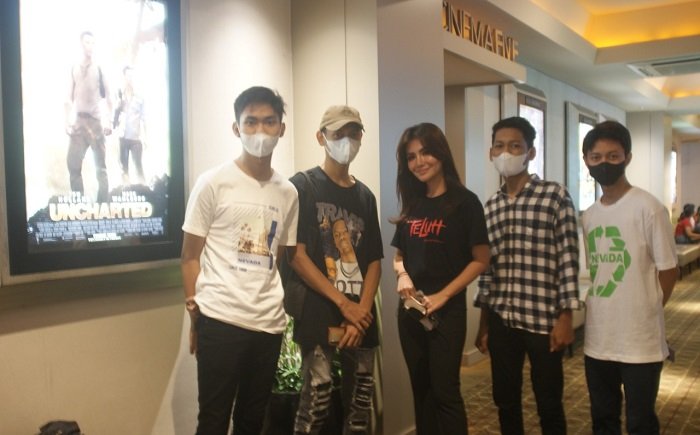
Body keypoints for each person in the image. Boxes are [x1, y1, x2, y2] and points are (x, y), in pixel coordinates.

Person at [180, 86, 299, 435]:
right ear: (237, 128)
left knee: (252, 421)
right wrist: (196, 314)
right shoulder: (213, 183)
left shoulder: (288, 193)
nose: (260, 131)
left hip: (268, 323)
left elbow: (275, 258)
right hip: (220, 319)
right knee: (213, 421)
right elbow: (189, 256)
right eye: (251, 122)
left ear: (281, 128)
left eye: (269, 122)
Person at [474, 116, 581, 435]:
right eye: (499, 146)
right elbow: (487, 268)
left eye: (515, 146)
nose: (506, 153)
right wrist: (483, 324)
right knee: (505, 400)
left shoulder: (554, 196)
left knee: (549, 402)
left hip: (543, 319)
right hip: (502, 319)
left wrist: (566, 317)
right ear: (491, 153)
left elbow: (568, 258)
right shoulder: (490, 206)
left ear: (530, 152)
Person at [288, 105, 382, 434]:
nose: (347, 140)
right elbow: (297, 256)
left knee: (360, 405)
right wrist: (345, 306)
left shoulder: (365, 196)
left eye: (354, 133)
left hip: (361, 313)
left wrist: (361, 311)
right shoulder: (303, 186)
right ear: (321, 137)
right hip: (319, 308)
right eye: (338, 133)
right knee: (317, 398)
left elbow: (374, 260)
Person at [391, 122, 490, 434]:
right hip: (411, 311)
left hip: (447, 313)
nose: (419, 162)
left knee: (445, 393)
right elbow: (399, 255)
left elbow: (481, 260)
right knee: (421, 391)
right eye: (411, 157)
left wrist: (444, 295)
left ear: (441, 154)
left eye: (426, 153)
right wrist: (402, 275)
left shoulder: (465, 203)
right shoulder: (413, 202)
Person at [580, 120, 678, 435]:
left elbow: (669, 270)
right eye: (596, 157)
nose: (604, 163)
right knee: (603, 420)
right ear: (586, 161)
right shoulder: (589, 215)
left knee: (641, 423)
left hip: (640, 340)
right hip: (598, 338)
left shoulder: (649, 208)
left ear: (627, 158)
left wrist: (647, 307)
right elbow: (593, 272)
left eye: (613, 156)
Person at [65, 30, 113, 203]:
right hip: (79, 122)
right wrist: (67, 121)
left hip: (95, 123)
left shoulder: (99, 68)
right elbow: (68, 98)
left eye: (92, 43)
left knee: (101, 168)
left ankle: (103, 206)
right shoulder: (74, 67)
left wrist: (109, 121)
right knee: (73, 164)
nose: (90, 46)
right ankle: (79, 205)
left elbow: (109, 97)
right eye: (87, 42)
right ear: (81, 44)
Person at [114, 65, 146, 185]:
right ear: (124, 77)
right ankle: (126, 190)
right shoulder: (118, 95)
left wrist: (145, 137)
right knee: (124, 169)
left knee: (138, 167)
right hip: (122, 137)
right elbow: (114, 121)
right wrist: (117, 107)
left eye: (132, 76)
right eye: (128, 76)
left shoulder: (140, 97)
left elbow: (144, 118)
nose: (130, 78)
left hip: (136, 138)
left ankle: (143, 190)